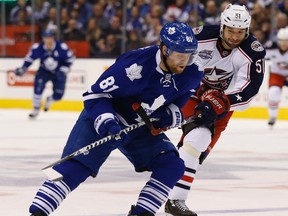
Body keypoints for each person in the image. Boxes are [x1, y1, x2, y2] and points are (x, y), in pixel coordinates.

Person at [28, 22, 203, 216]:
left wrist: (167, 116)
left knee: (172, 165)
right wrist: (108, 124)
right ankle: (37, 212)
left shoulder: (193, 71)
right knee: (74, 169)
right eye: (179, 55)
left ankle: (142, 213)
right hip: (106, 116)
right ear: (164, 49)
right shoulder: (134, 66)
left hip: (139, 125)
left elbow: (180, 103)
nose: (184, 61)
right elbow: (94, 95)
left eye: (188, 55)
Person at [164, 4, 266, 216]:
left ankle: (174, 199)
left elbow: (248, 90)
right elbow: (173, 59)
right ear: (222, 26)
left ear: (246, 30)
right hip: (191, 93)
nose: (235, 37)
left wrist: (221, 101)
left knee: (196, 144)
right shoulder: (199, 37)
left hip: (221, 103)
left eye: (240, 32)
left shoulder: (252, 51)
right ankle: (172, 193)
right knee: (155, 129)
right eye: (231, 31)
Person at [15, 29, 75, 119]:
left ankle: (50, 100)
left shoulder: (61, 47)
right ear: (43, 38)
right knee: (38, 88)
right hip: (44, 71)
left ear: (53, 38)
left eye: (50, 37)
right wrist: (23, 68)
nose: (48, 40)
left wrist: (63, 70)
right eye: (46, 38)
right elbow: (29, 59)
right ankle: (35, 109)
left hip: (59, 72)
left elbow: (70, 59)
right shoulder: (38, 47)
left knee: (58, 95)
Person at [266, 27, 288, 126]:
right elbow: (258, 56)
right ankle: (272, 116)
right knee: (273, 93)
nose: (283, 43)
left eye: (286, 41)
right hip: (276, 74)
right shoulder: (271, 47)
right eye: (281, 41)